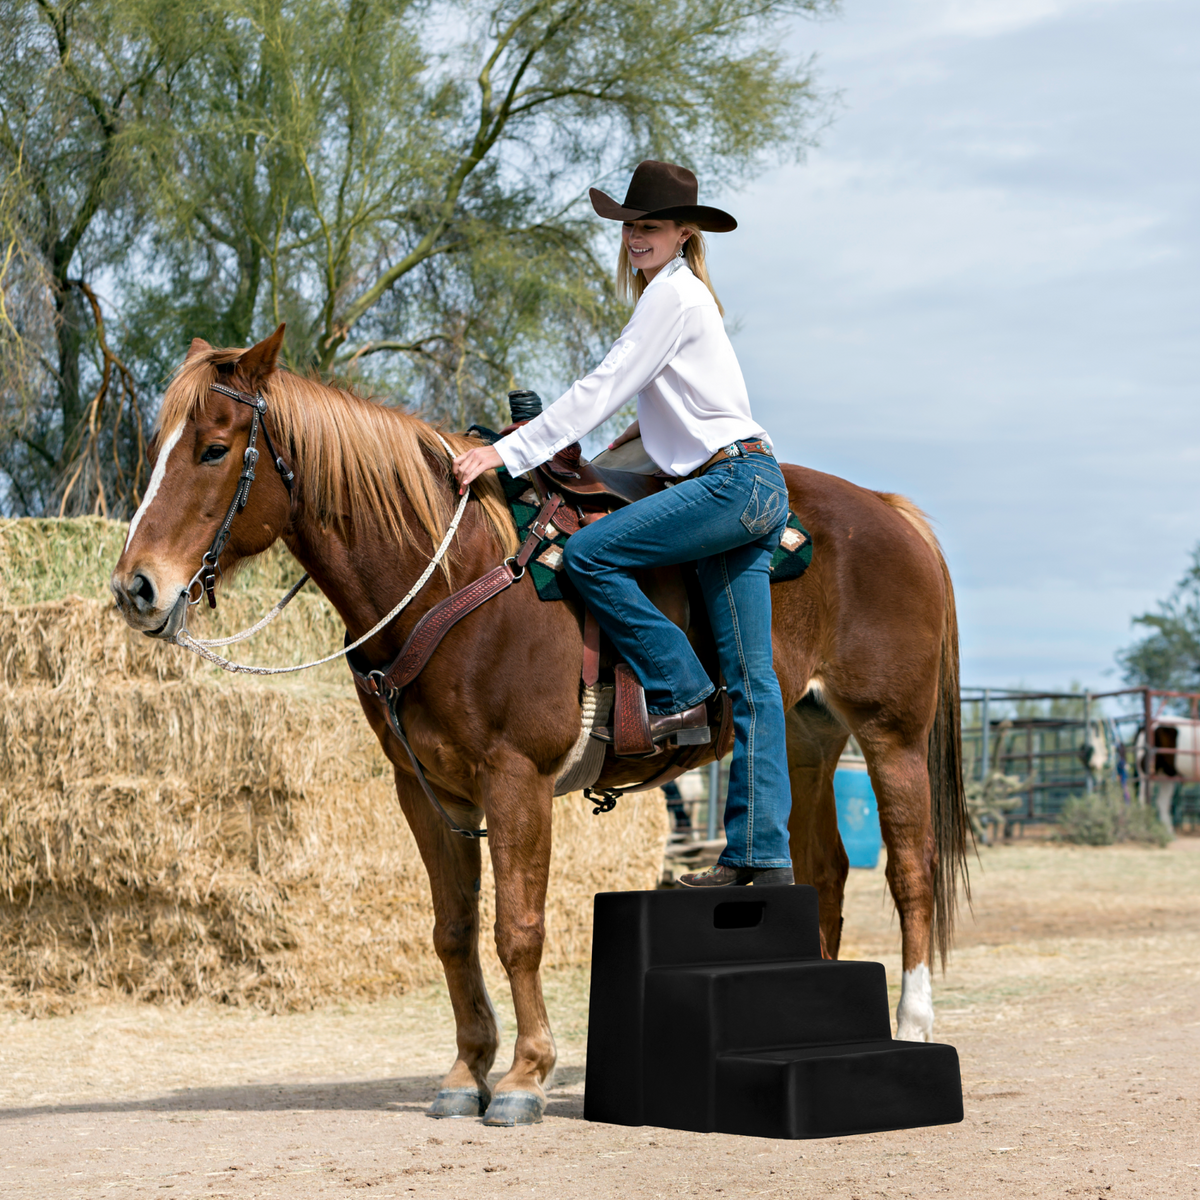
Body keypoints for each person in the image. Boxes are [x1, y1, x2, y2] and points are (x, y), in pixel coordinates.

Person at [452, 160, 792, 886]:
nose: (638, 238)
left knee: (592, 555)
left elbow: (601, 387)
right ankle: (760, 859)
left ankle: (677, 688)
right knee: (756, 686)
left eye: (653, 227)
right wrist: (606, 457)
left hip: (729, 483)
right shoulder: (683, 298)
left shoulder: (671, 298)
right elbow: (666, 415)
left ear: (683, 233)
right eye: (632, 226)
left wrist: (504, 452)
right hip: (754, 482)